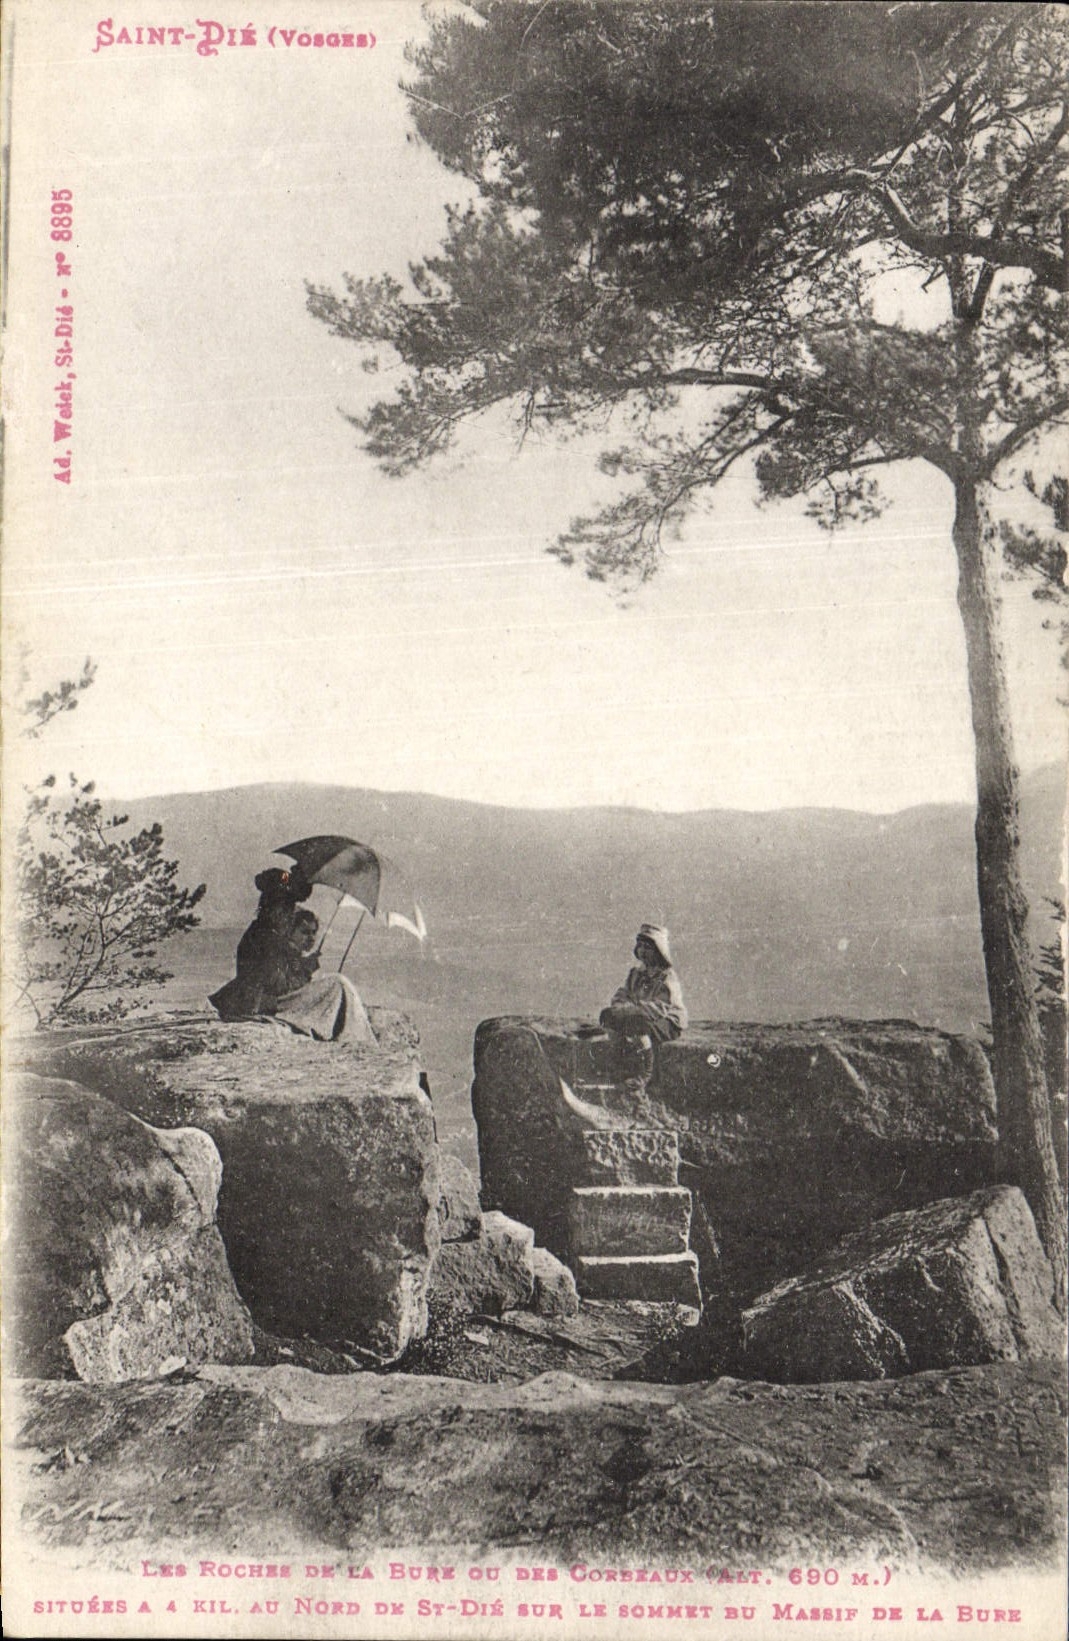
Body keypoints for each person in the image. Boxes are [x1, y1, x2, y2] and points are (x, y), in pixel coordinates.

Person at [210, 867, 373, 1044]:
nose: (289, 914)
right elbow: (281, 987)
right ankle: (357, 1038)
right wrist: (306, 968)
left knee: (337, 985)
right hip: (261, 1005)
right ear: (273, 908)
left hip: (262, 1001)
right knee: (338, 984)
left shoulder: (265, 933)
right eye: (286, 908)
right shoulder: (266, 938)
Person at [599, 924, 687, 1077]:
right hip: (638, 1014)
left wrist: (631, 1011)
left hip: (666, 1020)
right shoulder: (636, 973)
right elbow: (623, 994)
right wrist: (619, 1008)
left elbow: (661, 1006)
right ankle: (620, 1066)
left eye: (648, 947)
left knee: (637, 1025)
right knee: (607, 1016)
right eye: (640, 946)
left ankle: (645, 1073)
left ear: (659, 950)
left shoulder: (666, 976)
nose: (643, 951)